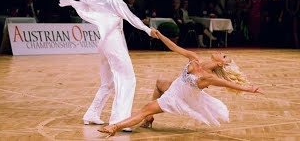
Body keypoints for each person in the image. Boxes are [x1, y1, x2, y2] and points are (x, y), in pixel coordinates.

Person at [49, 0, 159, 131]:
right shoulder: (113, 0)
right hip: (114, 44)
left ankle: (92, 114)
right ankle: (119, 120)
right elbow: (131, 17)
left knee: (108, 82)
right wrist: (148, 30)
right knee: (127, 79)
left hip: (104, 44)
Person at [97, 30, 262, 138]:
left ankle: (115, 127)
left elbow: (229, 84)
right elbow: (174, 47)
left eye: (224, 56)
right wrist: (160, 35)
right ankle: (150, 118)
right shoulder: (194, 58)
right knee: (160, 83)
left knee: (145, 108)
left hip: (178, 98)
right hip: (175, 86)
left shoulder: (209, 77)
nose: (221, 53)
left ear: (220, 64)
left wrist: (250, 89)